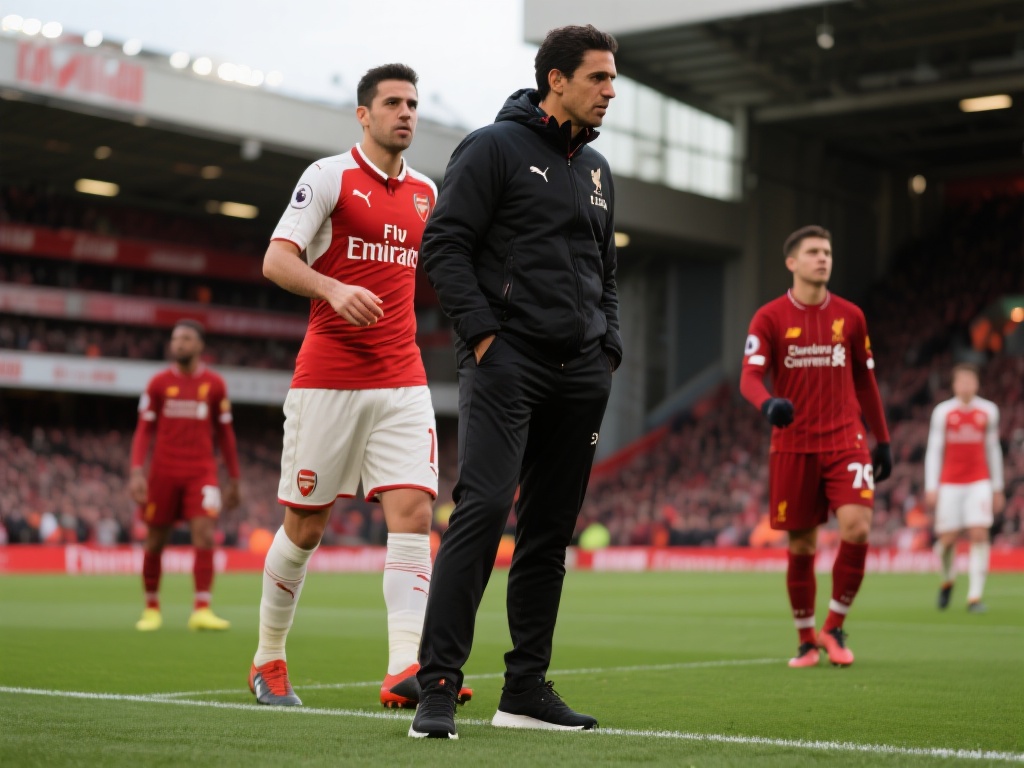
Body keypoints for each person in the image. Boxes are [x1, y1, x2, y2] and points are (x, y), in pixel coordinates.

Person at [410, 25, 621, 739]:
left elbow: (606, 271)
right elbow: (444, 244)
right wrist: (484, 338)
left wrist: (609, 347)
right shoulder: (493, 147)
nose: (610, 91)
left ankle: (524, 691)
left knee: (549, 533)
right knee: (484, 509)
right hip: (507, 362)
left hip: (581, 372)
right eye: (598, 78)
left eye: (612, 79)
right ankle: (438, 685)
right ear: (556, 80)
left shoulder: (598, 170)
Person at [248, 63, 471, 711]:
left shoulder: (427, 192)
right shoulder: (328, 176)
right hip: (329, 381)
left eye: (413, 104)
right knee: (305, 526)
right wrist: (332, 287)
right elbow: (276, 259)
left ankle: (405, 667)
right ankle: (268, 658)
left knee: (415, 513)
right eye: (393, 103)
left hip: (402, 378)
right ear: (363, 114)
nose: (406, 113)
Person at [740, 225, 893, 669]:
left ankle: (834, 626)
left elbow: (865, 380)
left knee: (857, 527)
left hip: (847, 439)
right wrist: (768, 404)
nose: (823, 258)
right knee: (803, 546)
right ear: (792, 262)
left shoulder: (851, 316)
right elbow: (749, 376)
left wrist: (883, 439)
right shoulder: (769, 317)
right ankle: (807, 640)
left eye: (826, 251)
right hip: (794, 444)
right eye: (813, 252)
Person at [129, 319, 240, 631]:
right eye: (176, 338)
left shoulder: (215, 385)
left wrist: (234, 478)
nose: (179, 343)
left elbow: (226, 434)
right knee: (155, 540)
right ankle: (151, 609)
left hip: (201, 472)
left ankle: (202, 609)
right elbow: (144, 429)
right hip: (163, 472)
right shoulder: (158, 383)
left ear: (200, 345)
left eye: (187, 338)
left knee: (205, 534)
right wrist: (136, 470)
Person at [924, 363, 1004, 613]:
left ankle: (974, 597)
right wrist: (931, 486)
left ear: (977, 383)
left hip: (979, 482)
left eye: (970, 381)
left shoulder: (988, 411)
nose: (966, 385)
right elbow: (934, 450)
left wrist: (997, 487)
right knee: (946, 541)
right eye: (962, 381)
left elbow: (993, 449)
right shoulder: (943, 412)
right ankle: (948, 580)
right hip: (950, 484)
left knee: (979, 533)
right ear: (954, 384)